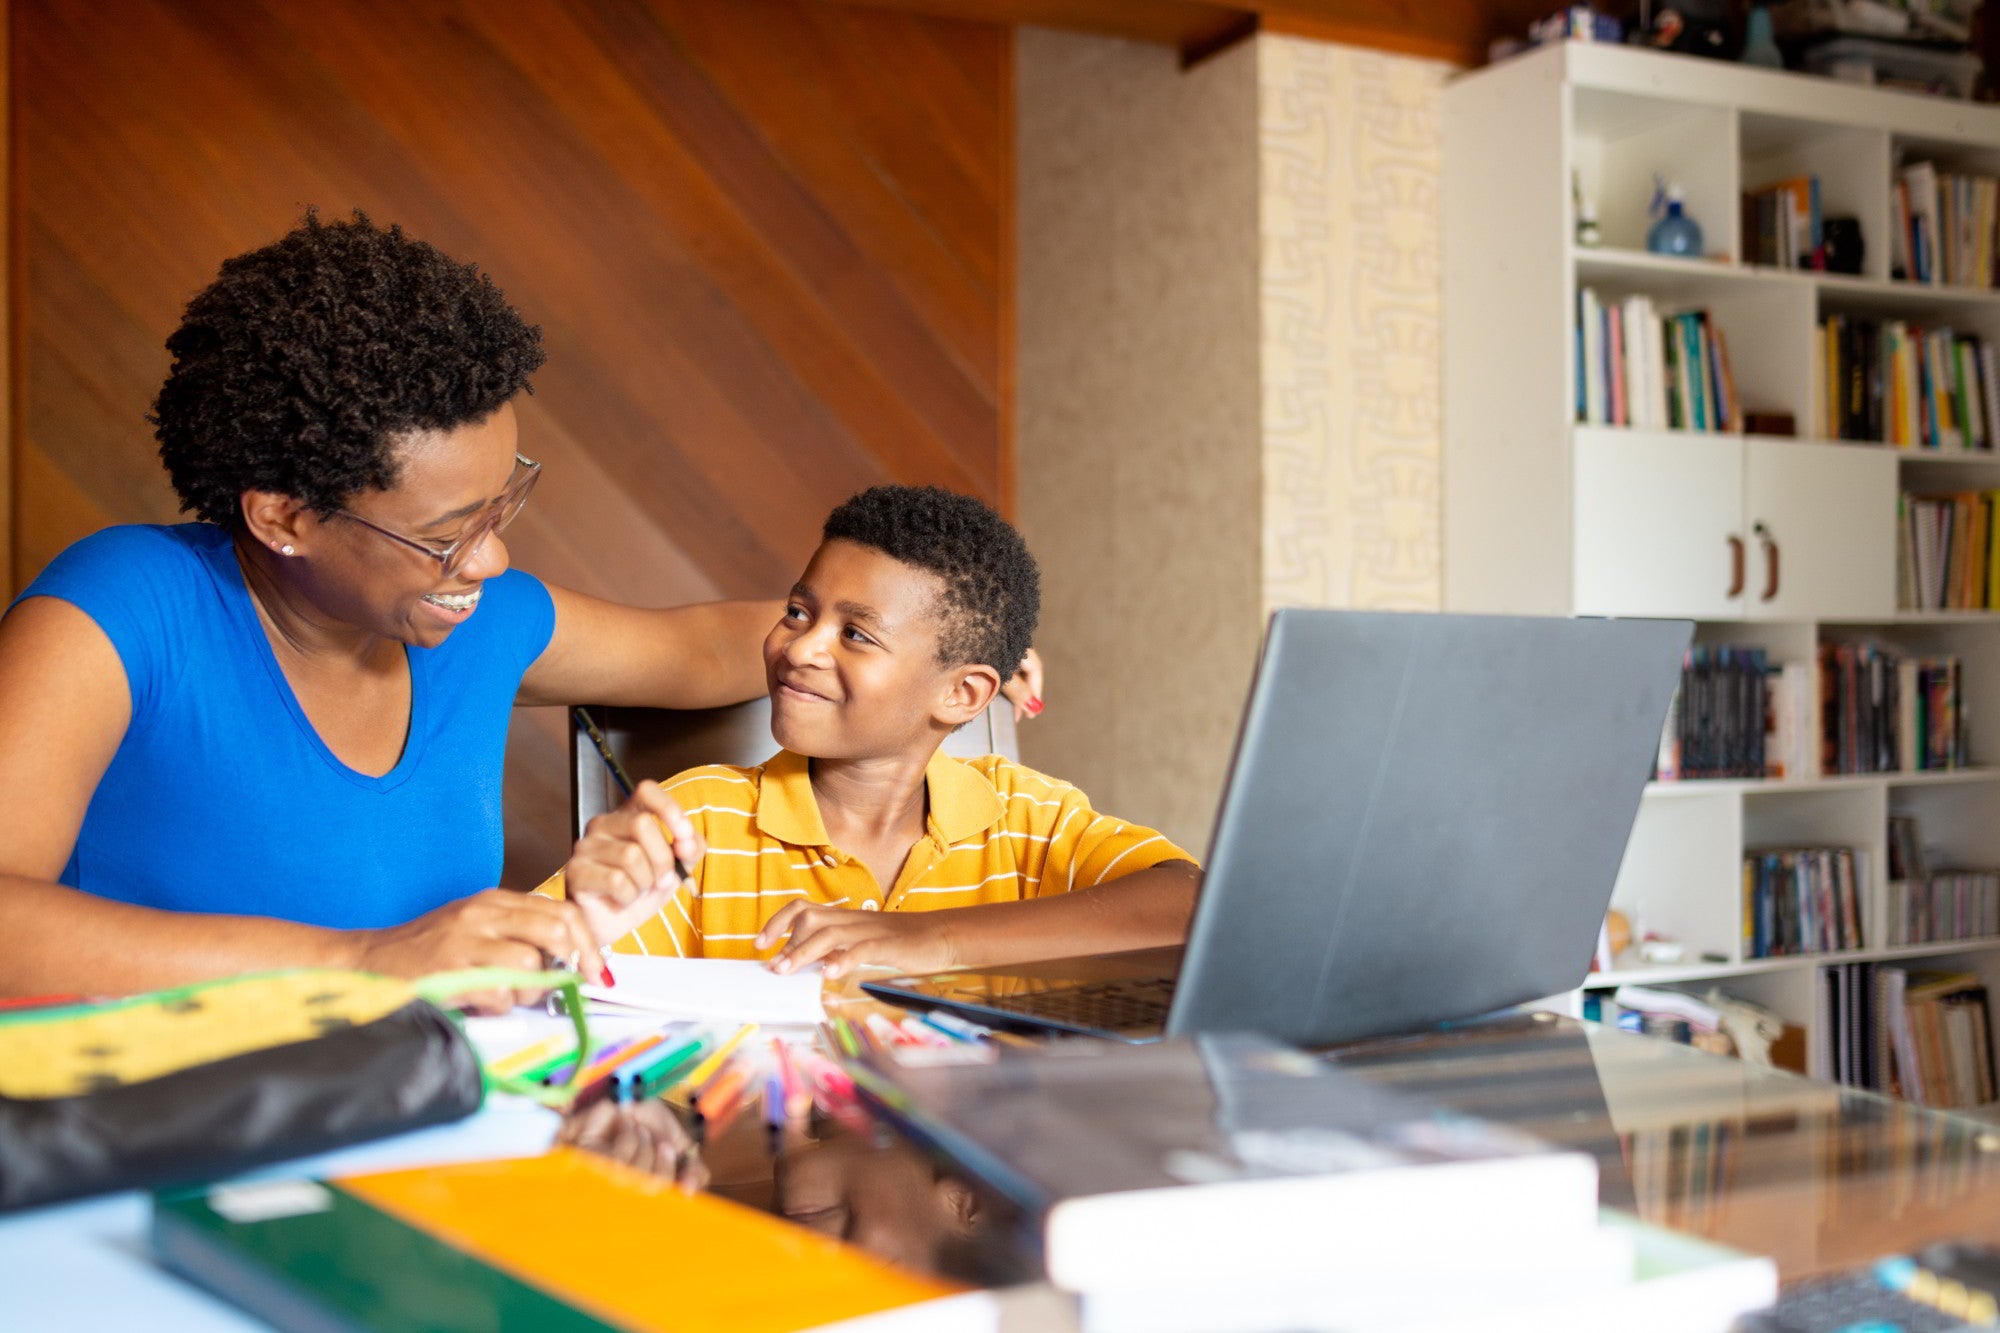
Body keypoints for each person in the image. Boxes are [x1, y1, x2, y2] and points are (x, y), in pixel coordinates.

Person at [0, 212, 1042, 1006]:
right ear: (284, 515)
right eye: (447, 529)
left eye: (502, 502)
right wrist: (368, 962)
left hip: (414, 1125)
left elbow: (703, 645)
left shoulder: (477, 622)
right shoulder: (118, 611)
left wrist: (944, 643)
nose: (490, 554)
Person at [554, 485, 1197, 979]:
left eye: (856, 635)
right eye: (798, 612)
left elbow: (1194, 906)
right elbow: (538, 976)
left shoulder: (1029, 817)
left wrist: (931, 938)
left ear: (961, 694)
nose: (800, 647)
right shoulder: (701, 818)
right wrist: (584, 925)